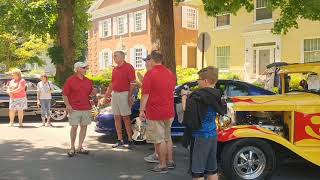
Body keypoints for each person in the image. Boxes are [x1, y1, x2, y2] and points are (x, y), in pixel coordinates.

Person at [181, 66, 226, 180]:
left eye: (199, 79)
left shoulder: (199, 96)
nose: (197, 81)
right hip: (212, 134)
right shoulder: (216, 94)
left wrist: (184, 96)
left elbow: (186, 109)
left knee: (198, 173)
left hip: (200, 136)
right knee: (212, 170)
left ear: (205, 81)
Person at [139, 50, 176, 173]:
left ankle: (162, 165)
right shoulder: (169, 72)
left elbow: (145, 95)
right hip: (169, 110)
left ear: (153, 60)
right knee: (167, 137)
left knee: (159, 140)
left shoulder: (150, 74)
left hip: (156, 112)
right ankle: (170, 161)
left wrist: (141, 110)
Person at [104, 51, 136, 149]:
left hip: (124, 94)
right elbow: (112, 83)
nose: (114, 57)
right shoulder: (115, 69)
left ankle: (130, 140)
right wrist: (106, 95)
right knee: (116, 117)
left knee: (126, 118)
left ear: (122, 57)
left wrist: (129, 96)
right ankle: (120, 140)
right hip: (115, 94)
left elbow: (133, 83)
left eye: (116, 56)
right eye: (114, 56)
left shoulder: (129, 67)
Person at [63, 62, 95, 157]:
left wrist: (94, 92)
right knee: (74, 127)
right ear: (77, 69)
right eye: (84, 68)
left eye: (86, 68)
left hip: (86, 108)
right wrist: (68, 105)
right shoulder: (70, 80)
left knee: (84, 127)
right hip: (74, 108)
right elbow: (65, 94)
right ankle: (72, 147)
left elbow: (91, 94)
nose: (86, 69)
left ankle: (80, 147)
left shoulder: (89, 81)